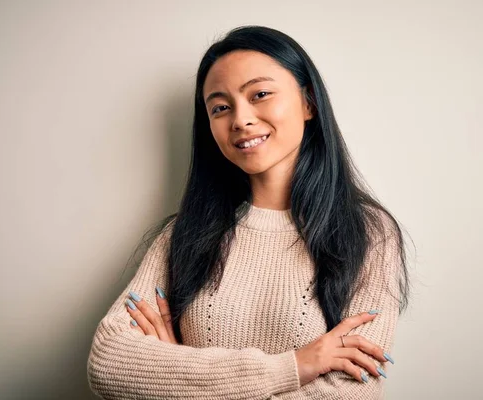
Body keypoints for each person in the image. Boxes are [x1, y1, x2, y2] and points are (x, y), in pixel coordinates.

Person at [87, 25, 410, 400]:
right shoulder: (184, 234)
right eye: (220, 107)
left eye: (260, 94)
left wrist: (176, 374)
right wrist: (294, 366)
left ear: (309, 103)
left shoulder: (367, 232)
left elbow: (350, 393)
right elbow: (108, 363)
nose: (240, 119)